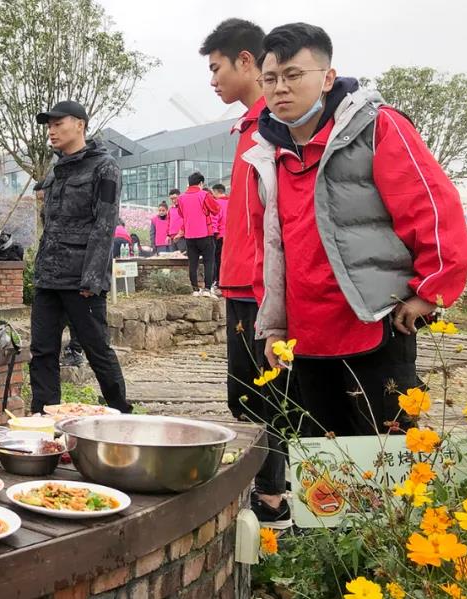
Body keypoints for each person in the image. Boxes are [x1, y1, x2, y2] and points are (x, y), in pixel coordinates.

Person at [249, 23, 467, 437]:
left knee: (388, 459)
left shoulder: (377, 128)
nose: (280, 88)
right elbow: (271, 248)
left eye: (294, 75)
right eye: (271, 78)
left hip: (374, 323)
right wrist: (274, 324)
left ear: (328, 77)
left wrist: (430, 291)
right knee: (324, 470)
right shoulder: (268, 155)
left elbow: (434, 209)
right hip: (306, 337)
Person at [201, 17, 291, 529]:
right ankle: (273, 486)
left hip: (262, 288)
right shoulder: (246, 127)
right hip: (239, 283)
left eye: (216, 68)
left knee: (269, 395)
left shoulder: (272, 127)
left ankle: (274, 500)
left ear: (246, 61)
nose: (212, 81)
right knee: (248, 395)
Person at [29, 100, 130, 415]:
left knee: (97, 349)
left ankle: (120, 414)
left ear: (80, 125)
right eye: (49, 125)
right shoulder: (56, 169)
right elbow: (50, 222)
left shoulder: (105, 166)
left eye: (59, 124)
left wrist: (93, 278)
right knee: (42, 351)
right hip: (48, 275)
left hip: (82, 278)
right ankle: (42, 418)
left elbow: (105, 224)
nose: (52, 131)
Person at [175, 172, 221, 296]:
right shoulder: (204, 194)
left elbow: (181, 214)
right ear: (201, 183)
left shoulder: (181, 198)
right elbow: (216, 210)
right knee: (209, 262)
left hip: (189, 236)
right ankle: (207, 289)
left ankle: (194, 289)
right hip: (205, 234)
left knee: (193, 263)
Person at [210, 183, 229, 290]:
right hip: (231, 235)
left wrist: (214, 232)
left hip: (220, 235)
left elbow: (215, 219)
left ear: (216, 192)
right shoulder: (232, 202)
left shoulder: (216, 203)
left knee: (218, 259)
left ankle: (219, 280)